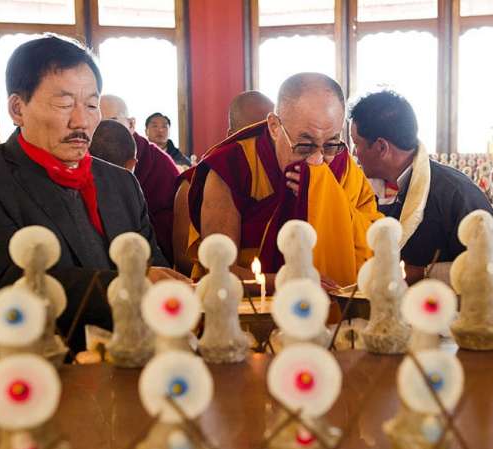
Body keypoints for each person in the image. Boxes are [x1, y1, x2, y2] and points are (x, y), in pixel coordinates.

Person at [0, 36, 185, 352]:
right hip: (33, 369)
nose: (81, 121)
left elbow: (152, 263)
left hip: (132, 362)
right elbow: (9, 285)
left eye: (91, 104)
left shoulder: (120, 183)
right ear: (18, 109)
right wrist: (133, 287)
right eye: (64, 104)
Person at [186, 73, 382, 289]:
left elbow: (374, 246)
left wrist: (327, 198)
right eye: (305, 146)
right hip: (252, 312)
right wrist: (288, 281)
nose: (317, 160)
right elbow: (219, 272)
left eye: (330, 144)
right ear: (274, 126)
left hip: (333, 309)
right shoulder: (233, 167)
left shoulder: (343, 167)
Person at [348, 90, 493, 284]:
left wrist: (422, 273)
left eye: (356, 143)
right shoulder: (368, 190)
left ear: (381, 147)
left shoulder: (454, 192)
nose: (354, 153)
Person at [172, 90, 277, 276]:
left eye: (267, 134)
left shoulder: (289, 172)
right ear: (231, 135)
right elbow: (182, 258)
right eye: (251, 133)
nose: (260, 142)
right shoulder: (193, 183)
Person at [101, 94, 181, 264]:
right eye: (98, 121)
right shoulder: (84, 156)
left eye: (112, 120)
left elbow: (171, 223)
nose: (103, 129)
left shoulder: (159, 162)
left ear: (131, 124)